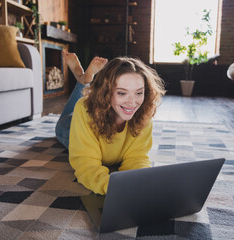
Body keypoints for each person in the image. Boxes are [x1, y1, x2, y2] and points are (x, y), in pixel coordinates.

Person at [55, 51, 165, 195]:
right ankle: (83, 81)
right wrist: (114, 188)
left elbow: (137, 157)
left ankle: (84, 79)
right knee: (67, 118)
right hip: (70, 129)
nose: (132, 103)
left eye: (139, 93)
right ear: (106, 92)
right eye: (121, 93)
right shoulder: (84, 109)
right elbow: (86, 165)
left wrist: (140, 181)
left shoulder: (143, 112)